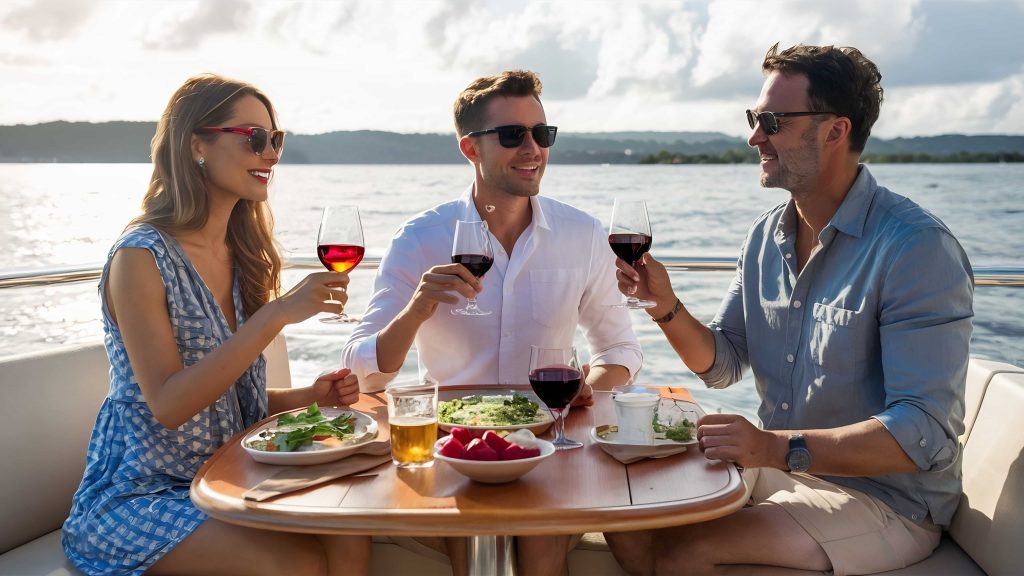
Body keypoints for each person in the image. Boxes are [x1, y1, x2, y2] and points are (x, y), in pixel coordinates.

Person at [606, 44, 974, 576]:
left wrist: (772, 448)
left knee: (685, 549)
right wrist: (665, 306)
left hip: (888, 501)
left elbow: (921, 432)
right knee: (628, 507)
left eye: (772, 121)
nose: (755, 136)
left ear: (835, 131)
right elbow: (724, 362)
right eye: (755, 118)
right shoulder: (764, 237)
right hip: (783, 468)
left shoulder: (916, 249)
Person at [62, 74, 371, 576]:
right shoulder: (141, 257)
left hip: (230, 477)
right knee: (300, 565)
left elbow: (229, 407)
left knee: (351, 535)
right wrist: (277, 314)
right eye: (253, 137)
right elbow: (170, 404)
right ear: (196, 145)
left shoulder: (246, 254)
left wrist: (308, 399)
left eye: (276, 140)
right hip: (144, 496)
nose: (270, 154)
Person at [342, 69, 643, 576]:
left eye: (541, 134)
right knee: (472, 538)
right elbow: (362, 372)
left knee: (543, 551)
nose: (533, 149)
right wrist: (418, 308)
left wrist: (587, 388)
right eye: (512, 135)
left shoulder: (584, 234)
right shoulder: (420, 238)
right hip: (453, 446)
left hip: (550, 440)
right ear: (470, 148)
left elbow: (620, 352)